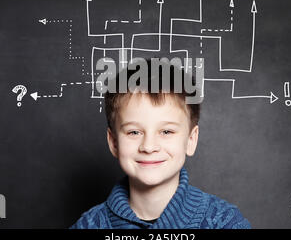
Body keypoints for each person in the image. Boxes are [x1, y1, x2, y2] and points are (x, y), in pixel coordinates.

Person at [70, 57, 251, 229]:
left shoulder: (224, 222)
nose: (149, 147)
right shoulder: (88, 225)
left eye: (166, 132)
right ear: (114, 143)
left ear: (191, 140)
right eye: (134, 132)